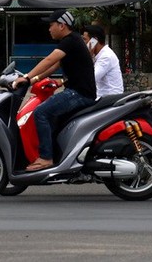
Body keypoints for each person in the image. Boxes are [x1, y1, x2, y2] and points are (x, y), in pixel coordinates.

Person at [13, 9, 96, 171]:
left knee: (41, 112)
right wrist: (32, 80)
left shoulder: (70, 41)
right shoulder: (72, 42)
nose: (49, 29)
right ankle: (57, 154)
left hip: (79, 94)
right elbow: (53, 67)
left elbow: (50, 59)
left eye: (51, 25)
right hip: (77, 92)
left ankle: (46, 158)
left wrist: (27, 77)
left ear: (62, 25)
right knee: (50, 116)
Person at [84, 24, 124, 98]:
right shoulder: (99, 55)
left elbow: (90, 79)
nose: (83, 43)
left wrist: (88, 58)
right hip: (102, 98)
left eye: (85, 39)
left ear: (94, 41)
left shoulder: (106, 57)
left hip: (109, 101)